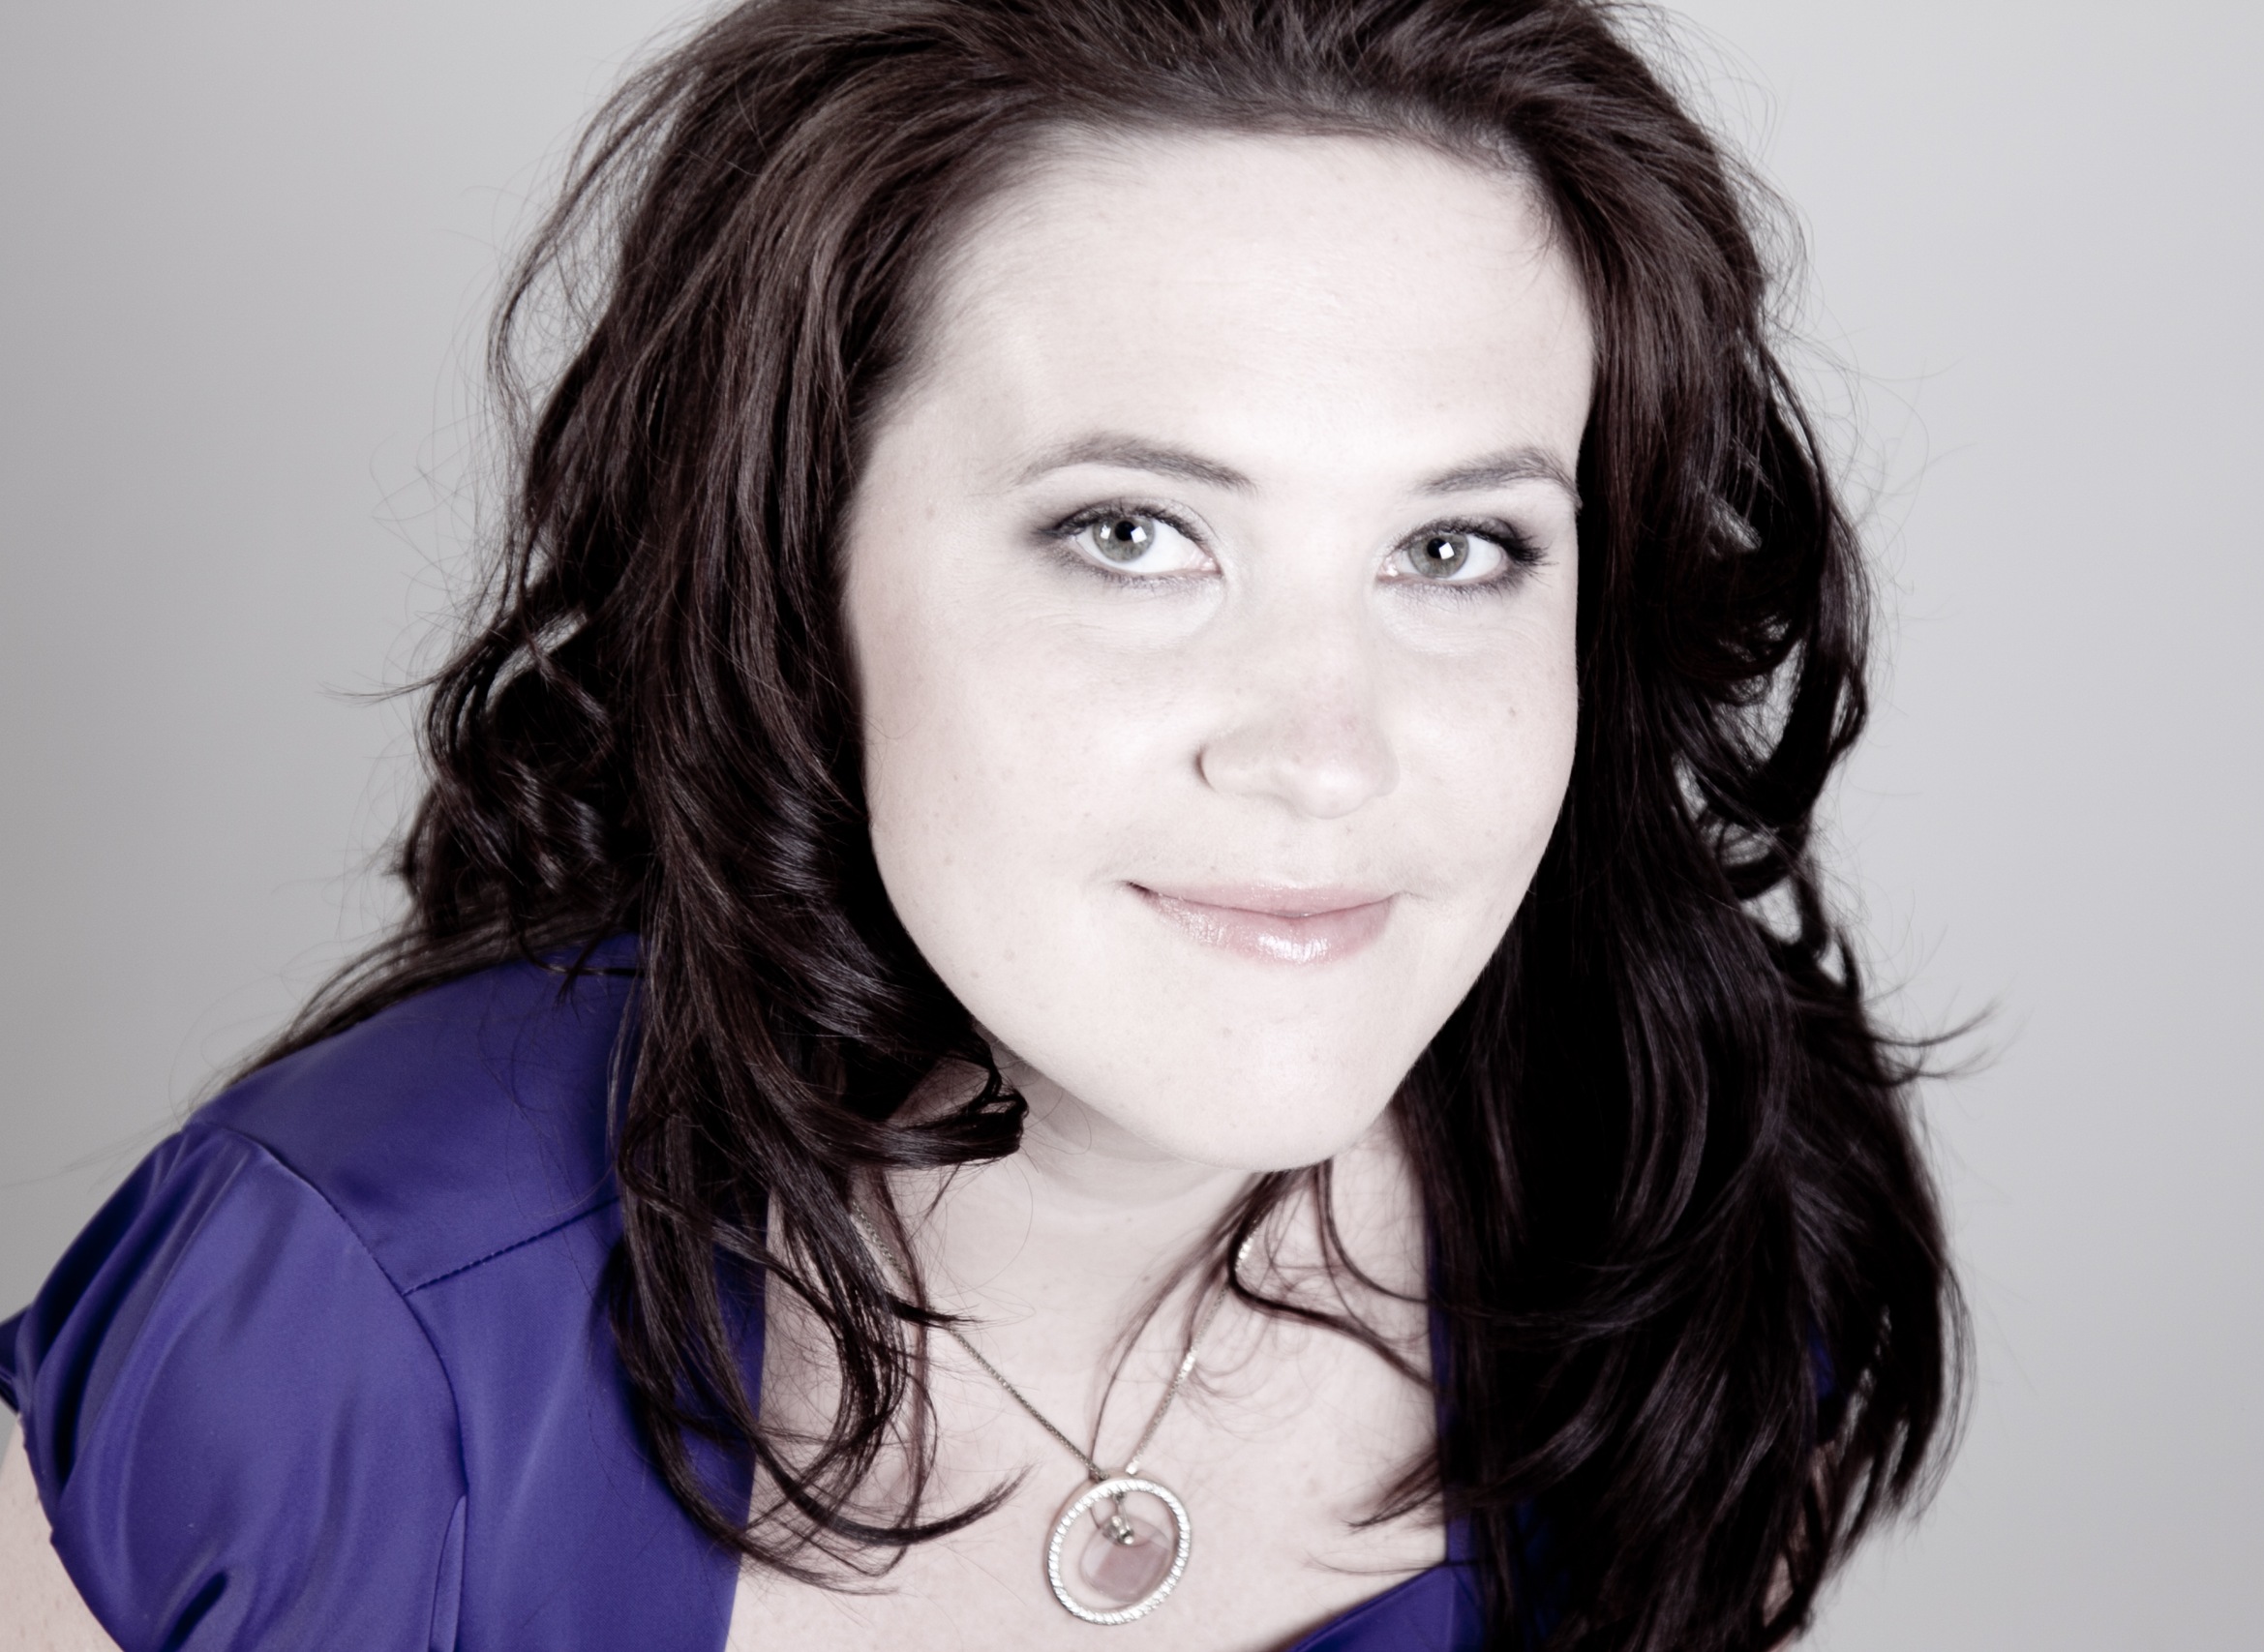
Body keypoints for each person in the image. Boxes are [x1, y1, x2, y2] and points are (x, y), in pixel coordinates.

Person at [0, 1, 1960, 1647]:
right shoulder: (333, 1336)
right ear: (795, 566)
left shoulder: (1698, 1182)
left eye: (1455, 548)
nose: (1326, 753)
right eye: (1132, 534)